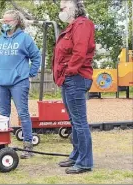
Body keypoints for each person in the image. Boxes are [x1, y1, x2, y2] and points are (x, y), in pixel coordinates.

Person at [0, 10, 41, 159]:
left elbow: (36, 57)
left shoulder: (25, 39)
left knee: (23, 114)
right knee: (3, 115)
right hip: (1, 83)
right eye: (3, 21)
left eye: (8, 21)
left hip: (19, 82)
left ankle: (28, 146)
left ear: (16, 21)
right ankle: (2, 146)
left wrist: (30, 74)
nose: (4, 23)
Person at [52, 0, 95, 174]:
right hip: (69, 78)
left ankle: (84, 162)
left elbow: (80, 51)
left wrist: (70, 71)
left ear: (73, 9)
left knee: (79, 122)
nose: (61, 10)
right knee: (74, 121)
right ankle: (77, 155)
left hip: (75, 77)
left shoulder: (82, 24)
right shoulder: (73, 26)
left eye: (63, 7)